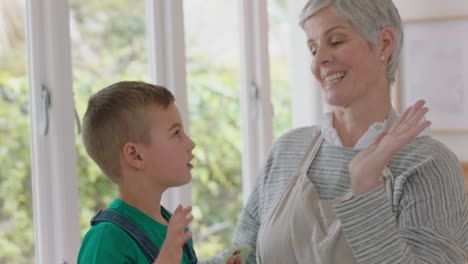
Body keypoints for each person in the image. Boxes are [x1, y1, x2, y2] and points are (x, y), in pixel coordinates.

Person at [204, 0, 468, 263]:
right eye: (313, 48)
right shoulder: (286, 151)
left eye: (336, 41)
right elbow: (242, 257)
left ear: (384, 43)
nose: (319, 60)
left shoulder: (427, 164)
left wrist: (365, 187)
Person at [77, 81, 198, 264]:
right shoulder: (105, 240)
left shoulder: (170, 226)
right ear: (136, 155)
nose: (190, 143)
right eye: (176, 133)